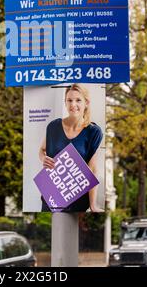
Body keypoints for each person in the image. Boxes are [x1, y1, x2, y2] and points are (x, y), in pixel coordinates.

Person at [39, 84, 103, 212]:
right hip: (52, 197)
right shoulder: (53, 126)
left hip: (77, 201)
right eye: (69, 100)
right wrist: (43, 159)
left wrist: (93, 204)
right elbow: (42, 150)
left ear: (86, 103)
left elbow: (92, 170)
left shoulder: (93, 131)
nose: (73, 104)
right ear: (65, 102)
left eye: (78, 100)